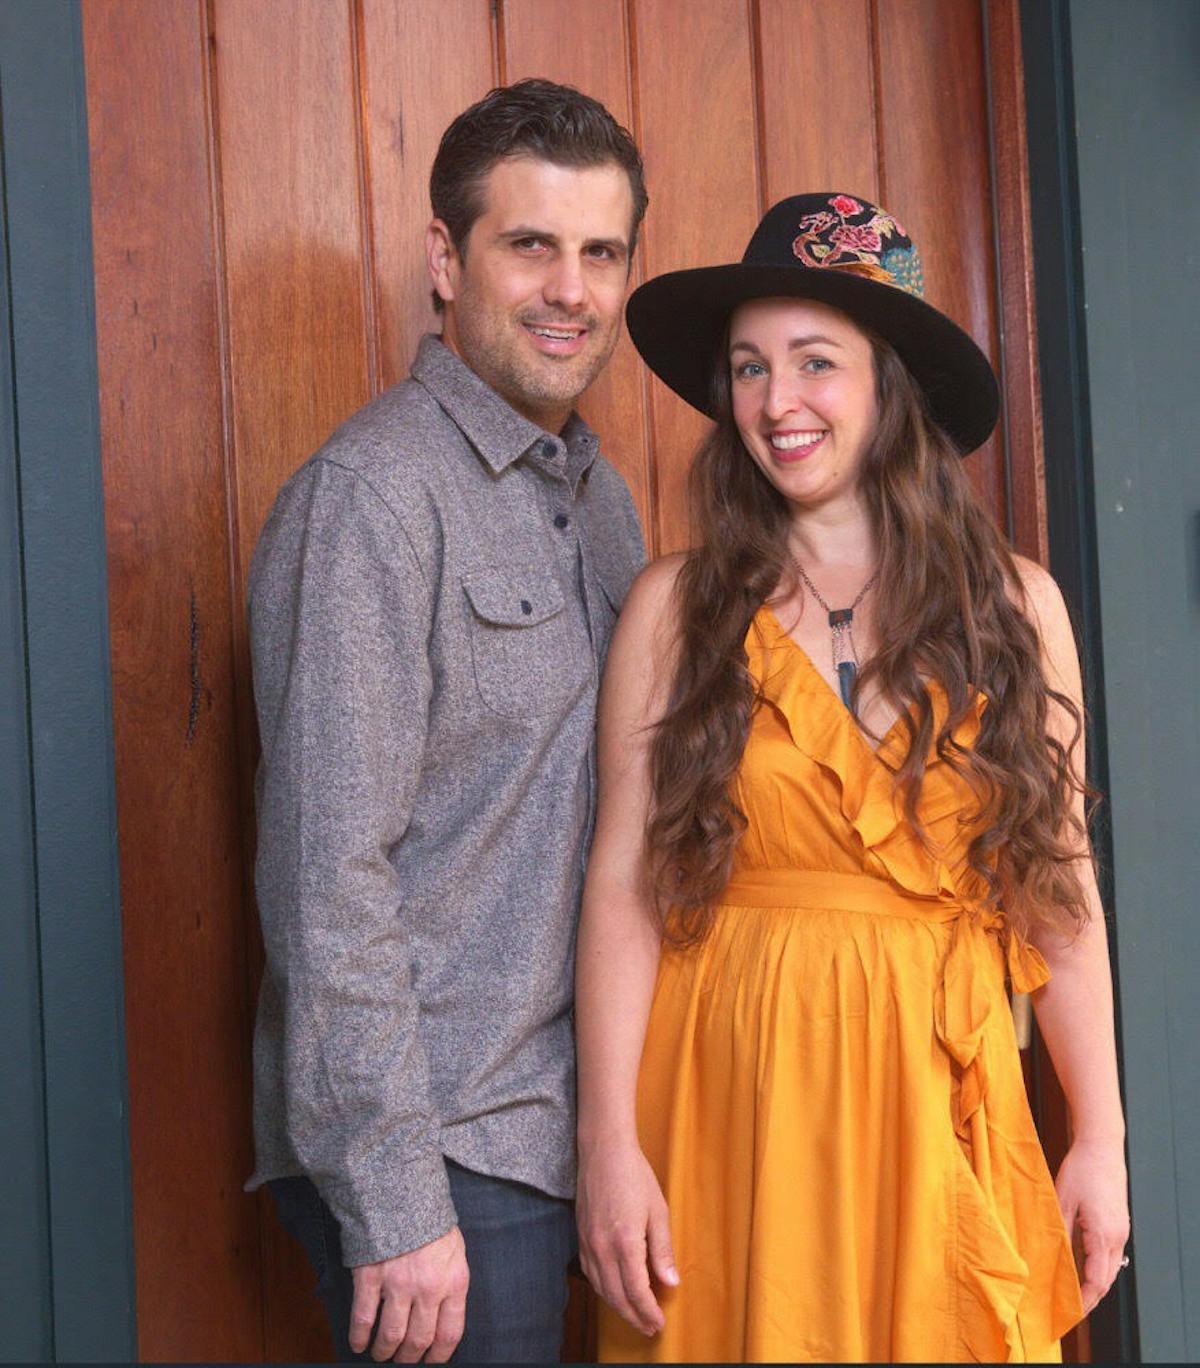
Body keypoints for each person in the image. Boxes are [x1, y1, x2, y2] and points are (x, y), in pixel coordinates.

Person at [575, 192, 1130, 1362]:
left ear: (891, 387)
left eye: (815, 363)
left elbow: (1059, 900)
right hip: (731, 1094)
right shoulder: (672, 611)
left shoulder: (1016, 608)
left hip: (932, 1096)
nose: (779, 403)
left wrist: (1100, 1139)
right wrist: (607, 1147)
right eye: (749, 368)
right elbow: (623, 887)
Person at [245, 79, 647, 1364]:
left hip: (574, 1139)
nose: (569, 290)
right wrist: (399, 1205)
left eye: (600, 253)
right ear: (445, 258)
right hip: (447, 1158)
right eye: (530, 244)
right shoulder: (371, 499)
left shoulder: (600, 497)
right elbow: (327, 879)